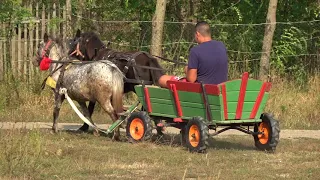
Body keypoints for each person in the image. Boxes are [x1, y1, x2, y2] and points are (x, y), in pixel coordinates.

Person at [158, 21, 228, 87]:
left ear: (197, 34)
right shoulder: (221, 45)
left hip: (202, 90)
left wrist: (186, 70)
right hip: (220, 88)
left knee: (162, 79)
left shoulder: (195, 50)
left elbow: (191, 79)